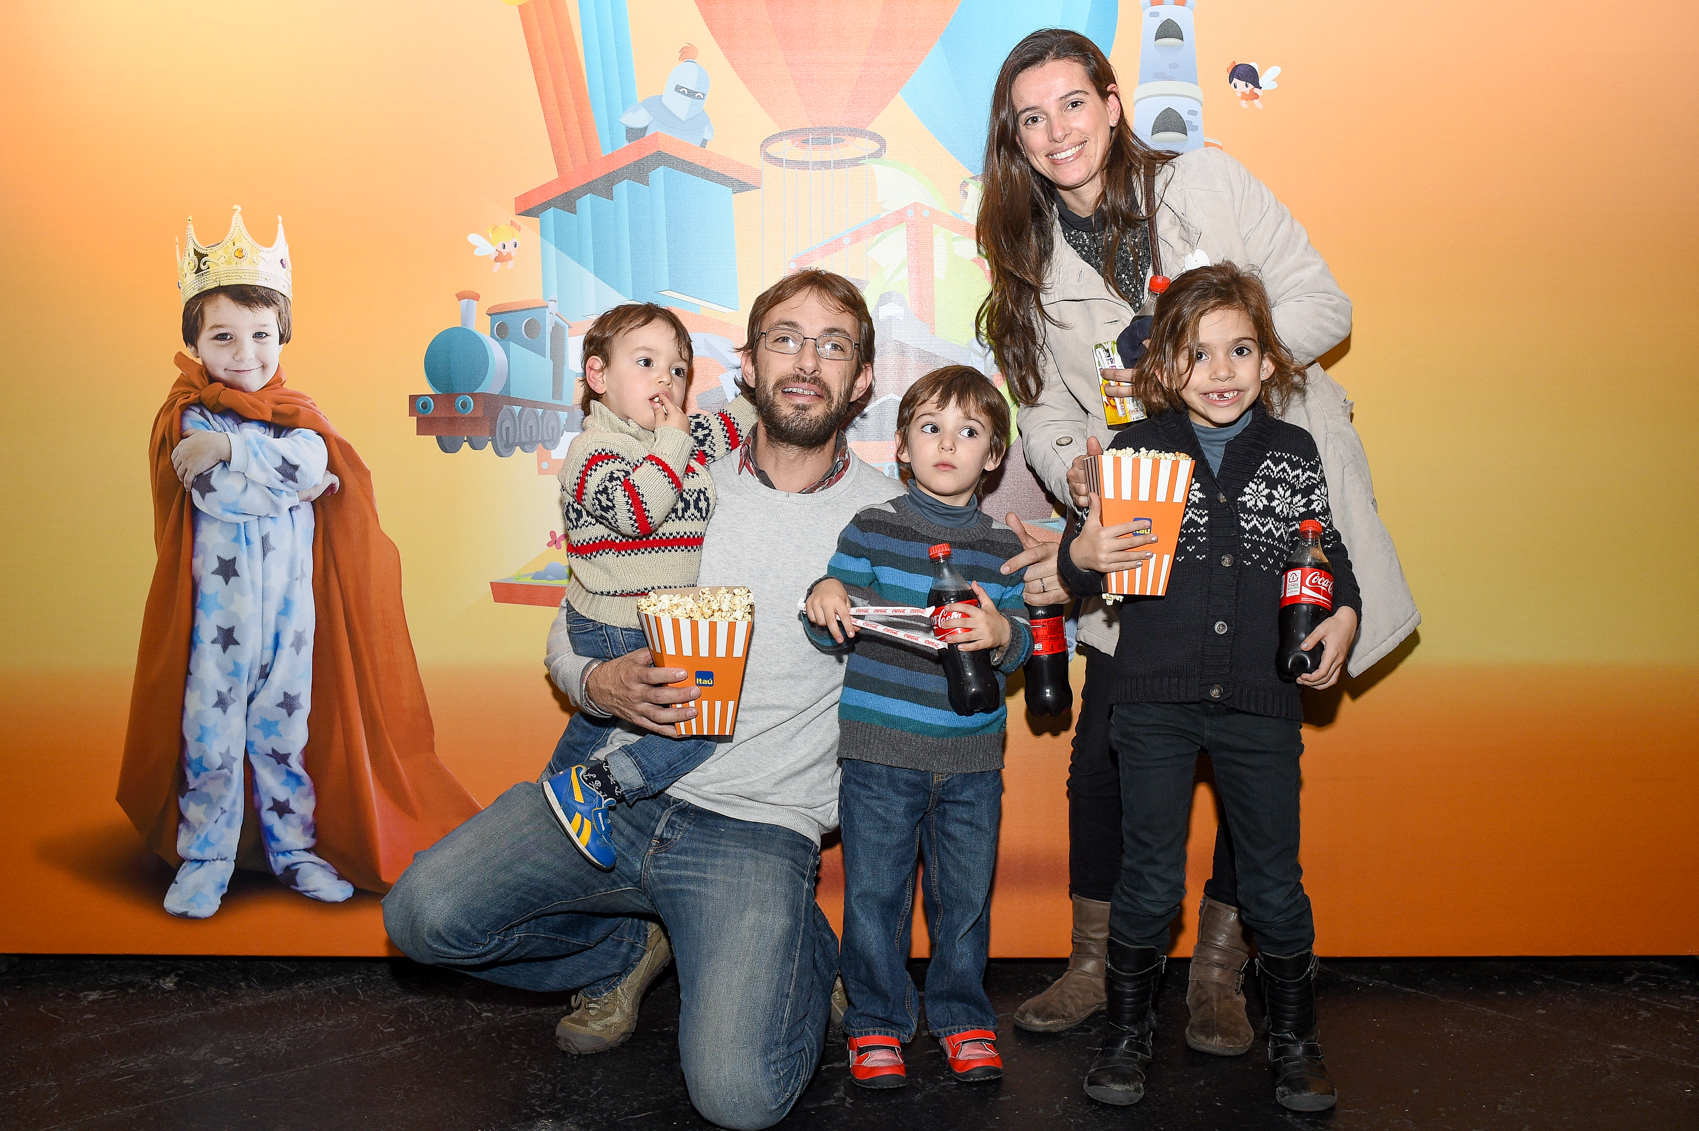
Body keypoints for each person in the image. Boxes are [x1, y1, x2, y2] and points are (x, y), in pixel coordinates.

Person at [382, 270, 1063, 1131]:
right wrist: (594, 681)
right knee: (422, 917)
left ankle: (806, 947)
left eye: (832, 344)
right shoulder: (669, 468)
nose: (805, 360)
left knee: (738, 1097)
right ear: (746, 363)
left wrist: (1035, 591)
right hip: (616, 792)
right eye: (784, 337)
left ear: (861, 382)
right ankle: (637, 940)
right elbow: (579, 613)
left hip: (755, 828)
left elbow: (985, 640)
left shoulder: (892, 520)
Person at [975, 28, 1418, 1047]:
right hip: (1142, 521)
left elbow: (1320, 303)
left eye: (1072, 104)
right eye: (1031, 118)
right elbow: (1041, 410)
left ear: (1113, 101)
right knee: (1106, 758)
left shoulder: (1206, 184)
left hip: (1268, 503)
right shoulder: (1024, 261)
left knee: (1254, 735)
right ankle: (1099, 962)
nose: (1057, 132)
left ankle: (1218, 972)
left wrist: (1212, 369)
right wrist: (1072, 464)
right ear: (1014, 139)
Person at [119, 207, 481, 918]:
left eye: (258, 334)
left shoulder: (292, 411)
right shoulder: (191, 415)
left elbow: (316, 460)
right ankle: (206, 856)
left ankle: (294, 849)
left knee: (286, 729)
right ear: (194, 340)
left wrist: (238, 453)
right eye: (222, 336)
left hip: (291, 612)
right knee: (211, 733)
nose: (244, 352)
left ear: (280, 334)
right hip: (216, 621)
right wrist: (275, 472)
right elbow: (226, 499)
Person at [1058, 263, 1354, 1111]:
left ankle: (1296, 1040)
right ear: (1161, 369)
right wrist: (1083, 548)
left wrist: (1344, 617)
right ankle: (1125, 1033)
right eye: (1195, 354)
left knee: (1272, 880)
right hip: (1149, 697)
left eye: (1239, 350)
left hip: (1260, 702)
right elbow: (1087, 573)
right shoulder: (1137, 450)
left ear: (1269, 363)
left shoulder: (1292, 453)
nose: (1219, 371)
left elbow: (1320, 560)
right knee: (1148, 877)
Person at [804, 367, 1033, 1089]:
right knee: (875, 897)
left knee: (963, 900)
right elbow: (829, 630)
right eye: (930, 427)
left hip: (970, 759)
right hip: (878, 754)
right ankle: (875, 1023)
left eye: (969, 432)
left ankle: (963, 1017)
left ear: (993, 455)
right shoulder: (871, 526)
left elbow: (1026, 640)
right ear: (901, 444)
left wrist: (1001, 630)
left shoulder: (1001, 547)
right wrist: (824, 593)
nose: (947, 443)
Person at [538, 302, 757, 871]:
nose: (666, 378)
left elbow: (734, 425)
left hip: (651, 618)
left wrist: (756, 387)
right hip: (612, 621)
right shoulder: (593, 452)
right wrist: (675, 443)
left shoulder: (672, 439)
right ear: (598, 377)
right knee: (696, 726)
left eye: (679, 370)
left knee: (599, 719)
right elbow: (638, 511)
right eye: (646, 362)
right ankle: (600, 787)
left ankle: (552, 799)